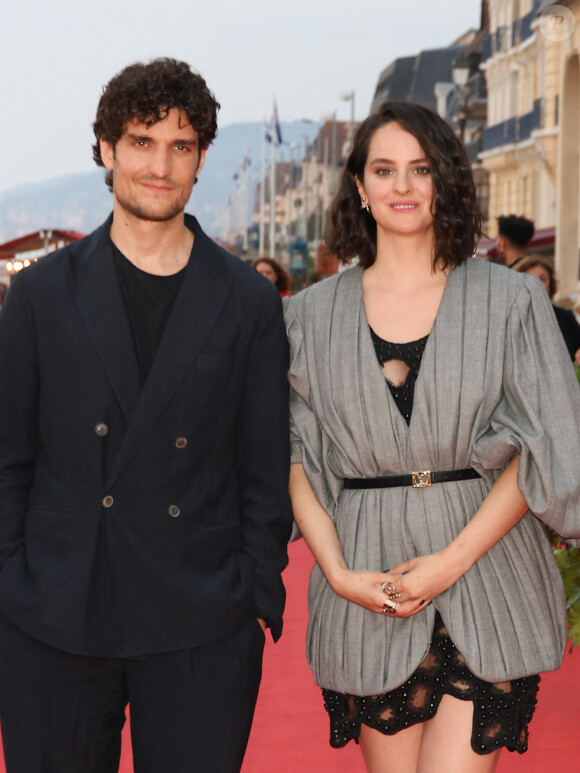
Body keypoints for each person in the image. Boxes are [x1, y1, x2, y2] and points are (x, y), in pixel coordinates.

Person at [0, 58, 292, 773]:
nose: (160, 166)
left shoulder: (246, 300)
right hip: (56, 611)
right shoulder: (41, 295)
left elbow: (264, 462)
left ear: (199, 160)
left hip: (202, 614)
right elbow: (6, 456)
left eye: (182, 145)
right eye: (141, 141)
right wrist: (12, 582)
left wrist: (256, 589)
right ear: (106, 149)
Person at [284, 101, 580, 773]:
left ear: (444, 179)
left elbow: (543, 444)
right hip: (364, 578)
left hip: (487, 569)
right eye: (384, 169)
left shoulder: (513, 301)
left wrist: (449, 561)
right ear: (358, 185)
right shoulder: (305, 317)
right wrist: (335, 572)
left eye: (420, 168)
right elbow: (296, 454)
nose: (403, 186)